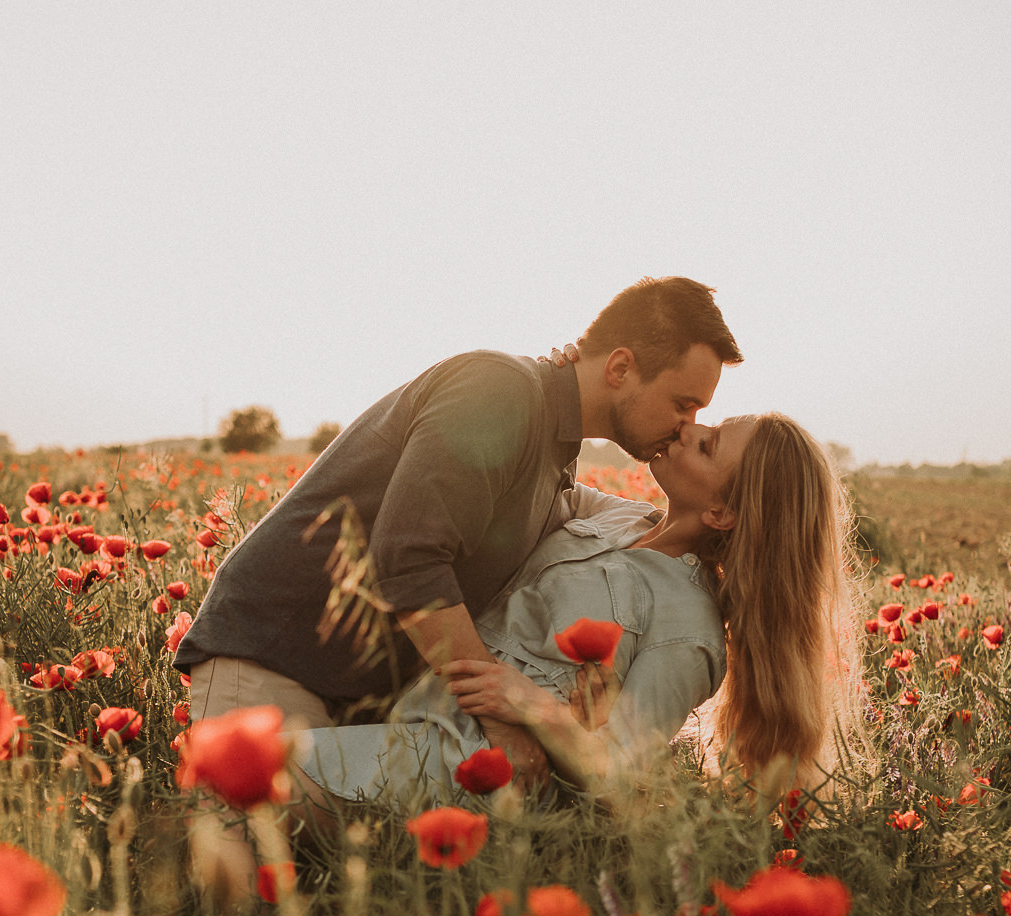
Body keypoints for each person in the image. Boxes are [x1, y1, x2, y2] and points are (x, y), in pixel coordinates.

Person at [173, 277, 743, 787]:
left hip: (367, 706)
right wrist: (501, 715)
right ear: (620, 368)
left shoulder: (556, 451)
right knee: (240, 878)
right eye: (683, 403)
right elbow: (408, 560)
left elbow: (646, 534)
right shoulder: (500, 392)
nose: (686, 425)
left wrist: (579, 708)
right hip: (275, 665)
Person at [293, 412, 849, 805]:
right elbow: (533, 482)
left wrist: (538, 709)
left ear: (723, 513)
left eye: (708, 445)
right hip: (405, 713)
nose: (691, 427)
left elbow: (620, 781)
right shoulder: (618, 517)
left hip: (467, 773)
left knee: (237, 785)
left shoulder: (687, 631)